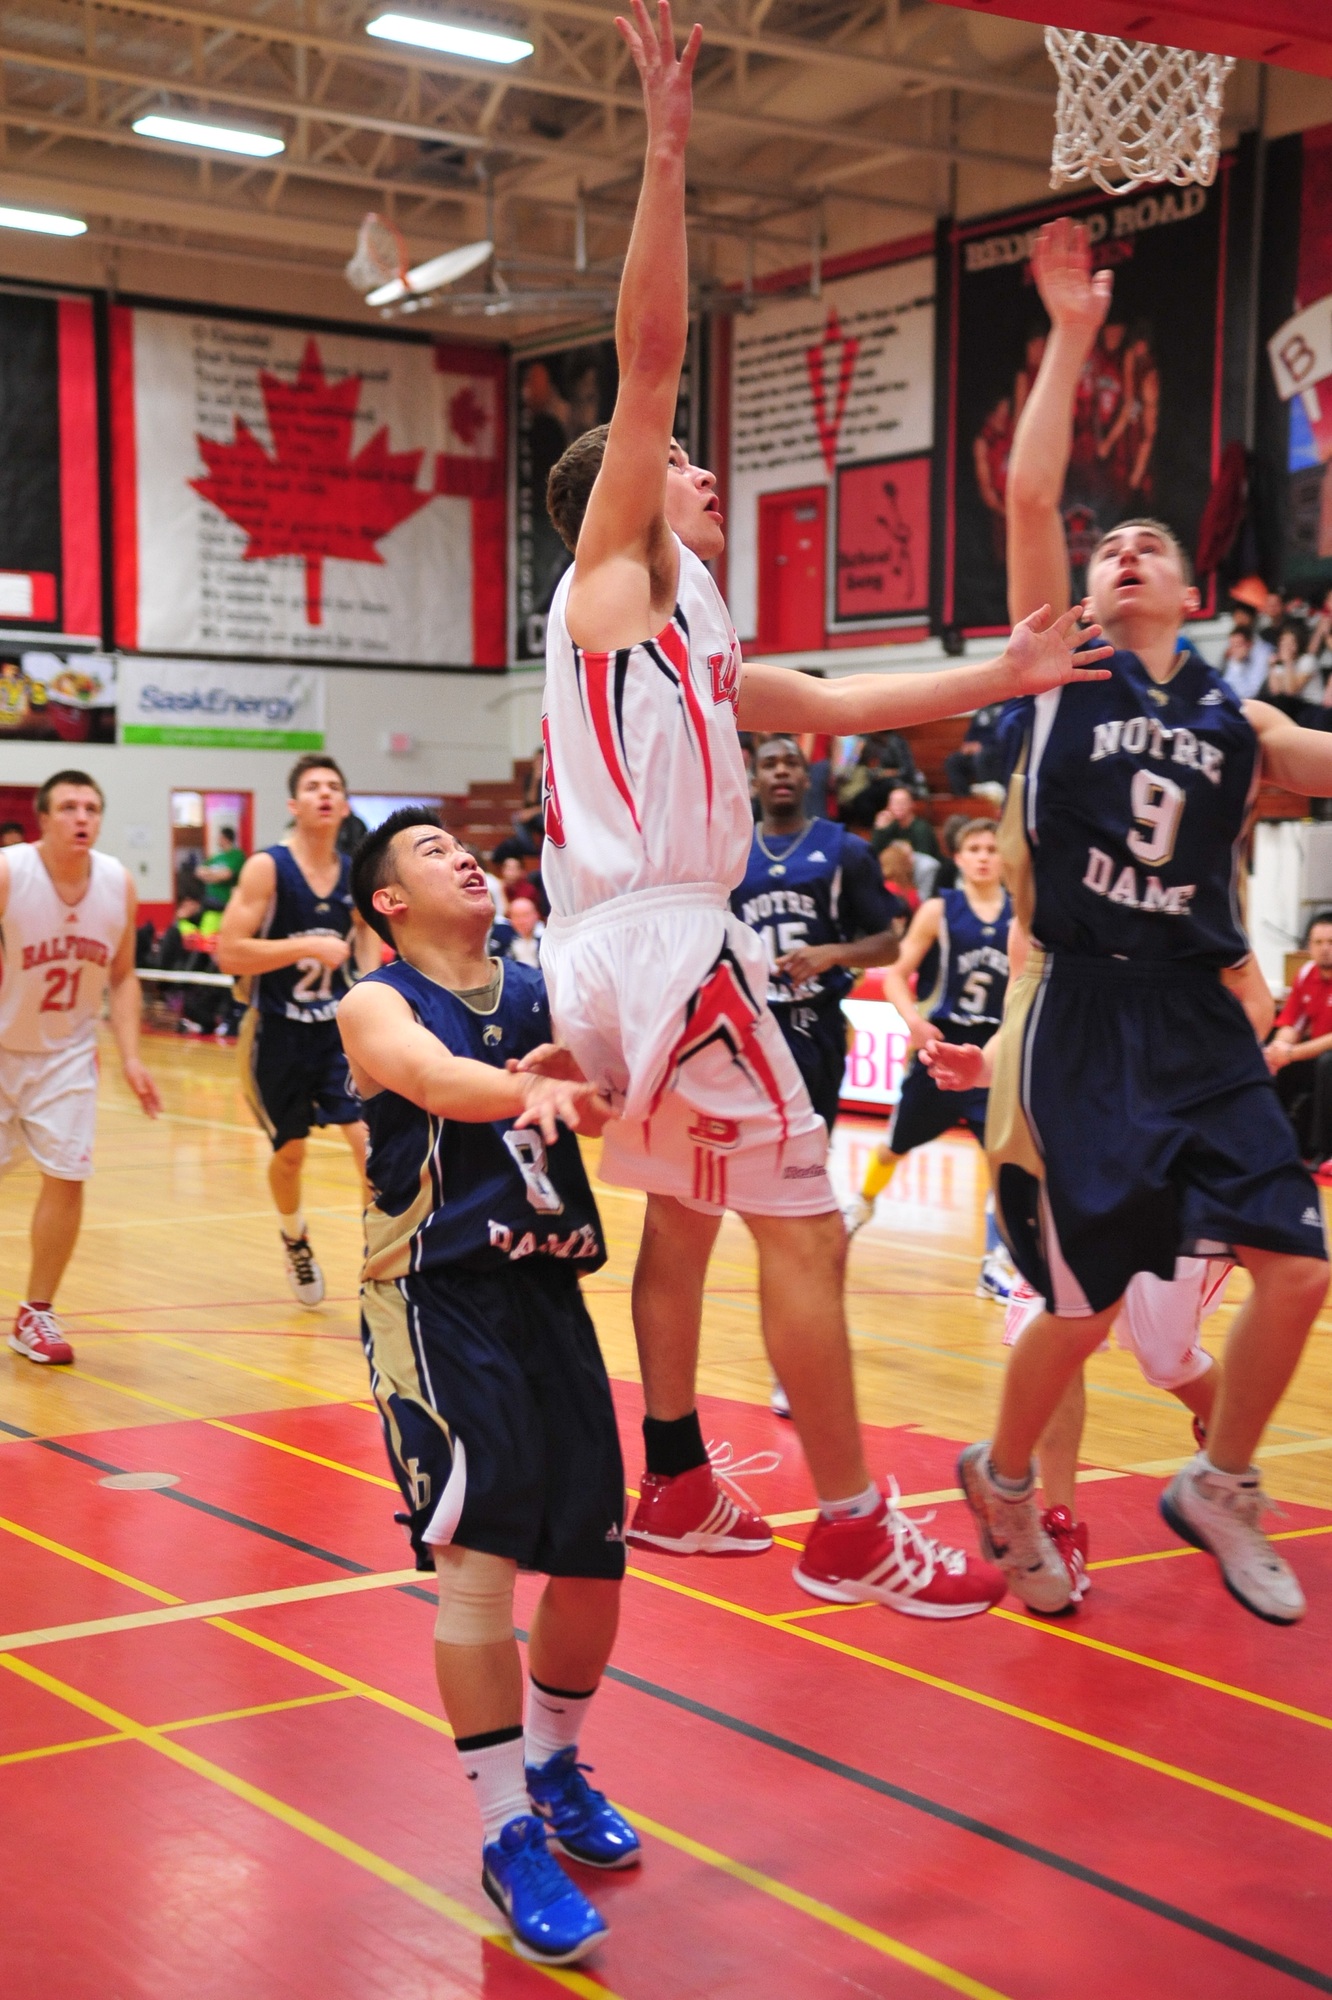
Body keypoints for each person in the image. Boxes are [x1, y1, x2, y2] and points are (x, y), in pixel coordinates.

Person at [530, 1, 1109, 1618]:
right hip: (665, 943)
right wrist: (664, 148)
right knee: (805, 1228)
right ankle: (853, 1526)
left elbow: (840, 703)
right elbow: (650, 356)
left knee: (686, 1219)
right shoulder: (617, 576)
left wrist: (1002, 668)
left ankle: (672, 1480)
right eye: (682, 463)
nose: (704, 473)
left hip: (616, 953)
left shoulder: (686, 632)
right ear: (624, 497)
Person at [957, 215, 1332, 1626]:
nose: (1120, 553)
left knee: (1299, 1271)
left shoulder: (1243, 720)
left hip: (1197, 1015)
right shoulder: (1061, 669)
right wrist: (1067, 333)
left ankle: (1220, 1482)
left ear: (1189, 591)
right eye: (1105, 545)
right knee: (1084, 1305)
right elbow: (1030, 491)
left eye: (1146, 545)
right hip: (1085, 1009)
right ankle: (1004, 1477)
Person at [338, 810, 631, 1966]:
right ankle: (507, 1830)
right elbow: (437, 1081)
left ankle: (553, 1763)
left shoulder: (545, 982)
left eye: (463, 843)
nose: (461, 853)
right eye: (429, 851)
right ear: (389, 901)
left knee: (595, 1560)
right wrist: (529, 1087)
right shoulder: (377, 999)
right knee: (479, 1560)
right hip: (435, 1298)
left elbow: (606, 1100)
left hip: (550, 1290)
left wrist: (598, 1083)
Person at [0, 770, 160, 1364]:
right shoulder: (10, 872)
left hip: (66, 1054)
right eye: (68, 807)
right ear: (43, 819)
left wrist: (132, 1057)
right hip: (2, 1047)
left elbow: (122, 975)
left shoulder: (117, 882)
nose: (82, 818)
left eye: (91, 808)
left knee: (67, 1175)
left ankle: (36, 1313)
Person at [216, 755, 380, 1306]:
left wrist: (370, 985)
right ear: (294, 804)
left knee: (369, 1145)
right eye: (313, 787)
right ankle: (295, 1238)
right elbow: (229, 952)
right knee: (290, 1154)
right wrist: (306, 945)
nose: (324, 794)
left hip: (335, 1033)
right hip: (276, 1032)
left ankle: (379, 1263)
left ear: (346, 805)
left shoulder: (355, 873)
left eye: (334, 786)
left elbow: (364, 938)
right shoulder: (267, 867)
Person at [846, 821, 1014, 1302]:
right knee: (894, 1146)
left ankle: (996, 1260)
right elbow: (896, 975)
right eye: (973, 848)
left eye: (991, 848)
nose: (983, 856)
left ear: (1004, 857)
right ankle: (862, 1202)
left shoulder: (1022, 914)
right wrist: (913, 1022)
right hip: (941, 1046)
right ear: (957, 858)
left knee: (1004, 1163)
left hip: (993, 1051)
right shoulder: (941, 909)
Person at [731, 734, 905, 1136]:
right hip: (750, 1026)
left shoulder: (845, 849)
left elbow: (889, 945)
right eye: (769, 764)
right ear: (753, 781)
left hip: (816, 1024)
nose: (781, 771)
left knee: (809, 1151)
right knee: (748, 1150)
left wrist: (832, 953)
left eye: (791, 763)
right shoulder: (732, 851)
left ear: (807, 779)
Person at [1266, 910, 1332, 1169]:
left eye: (1331, 942)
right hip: (1315, 1054)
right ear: (1309, 947)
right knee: (1273, 1057)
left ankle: (1324, 1151)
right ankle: (1275, 1142)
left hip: (1326, 1057)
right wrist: (1279, 1048)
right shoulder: (1306, 974)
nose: (1325, 949)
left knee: (1327, 1063)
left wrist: (1292, 1053)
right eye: (1318, 942)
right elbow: (1292, 1022)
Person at [872, 784, 942, 865]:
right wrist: (879, 830)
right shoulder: (888, 827)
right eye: (895, 802)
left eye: (902, 802)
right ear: (889, 806)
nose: (899, 806)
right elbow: (874, 854)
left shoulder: (921, 828)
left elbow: (925, 860)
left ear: (912, 804)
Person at [944, 706, 1004, 797]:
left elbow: (1003, 734)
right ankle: (963, 797)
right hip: (977, 750)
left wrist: (983, 744)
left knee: (980, 757)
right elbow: (972, 731)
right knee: (953, 760)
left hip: (996, 750)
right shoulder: (983, 710)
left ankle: (988, 794)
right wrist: (968, 744)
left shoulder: (1007, 709)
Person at [196, 824, 244, 933]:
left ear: (225, 838)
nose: (217, 840)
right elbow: (199, 871)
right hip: (209, 898)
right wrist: (215, 876)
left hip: (224, 900)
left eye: (219, 837)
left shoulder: (237, 855)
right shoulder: (216, 857)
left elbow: (227, 875)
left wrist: (209, 875)